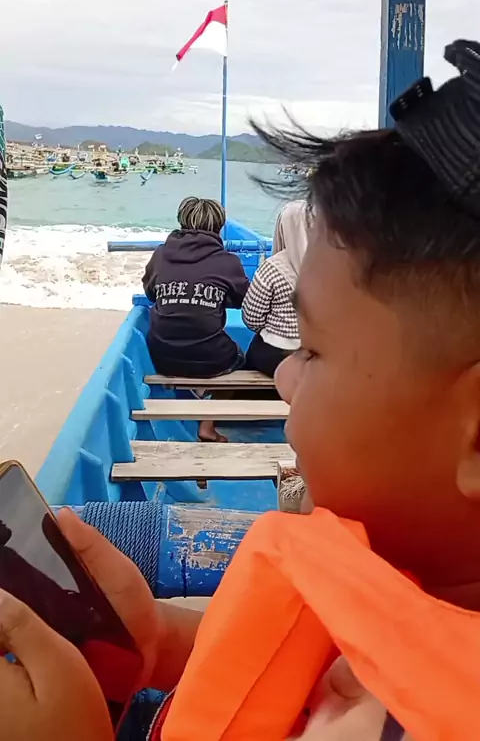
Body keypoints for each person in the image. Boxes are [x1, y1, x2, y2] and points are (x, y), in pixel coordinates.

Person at [5, 39, 480, 740]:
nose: (284, 375)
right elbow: (298, 676)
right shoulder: (403, 587)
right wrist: (157, 641)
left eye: (312, 350)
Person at [142, 196, 249, 442]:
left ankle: (194, 398)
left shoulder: (160, 255)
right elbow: (242, 299)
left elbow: (150, 293)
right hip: (211, 357)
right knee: (240, 358)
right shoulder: (227, 261)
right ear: (218, 227)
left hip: (162, 355)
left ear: (182, 222)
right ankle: (207, 424)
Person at [242, 200, 309, 377]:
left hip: (275, 355)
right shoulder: (332, 266)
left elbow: (251, 318)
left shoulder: (273, 268)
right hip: (316, 355)